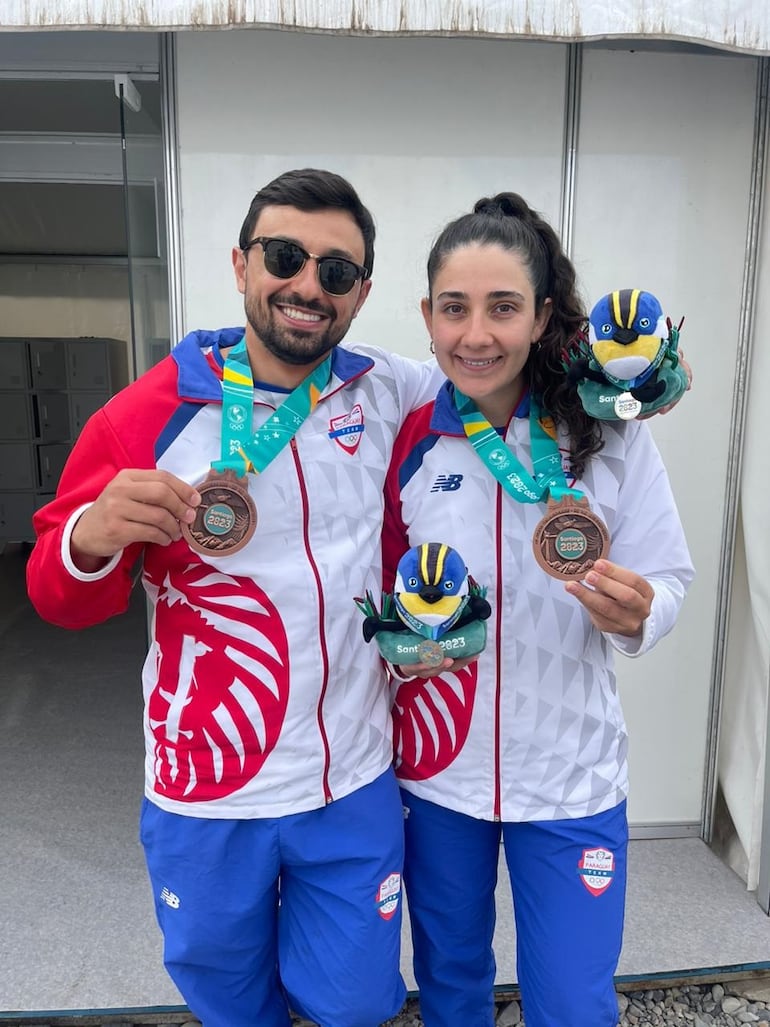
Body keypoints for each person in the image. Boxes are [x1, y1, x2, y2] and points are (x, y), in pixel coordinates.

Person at [24, 168, 442, 1027]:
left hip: (349, 777)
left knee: (358, 1002)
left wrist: (624, 380)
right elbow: (54, 592)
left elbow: (496, 382)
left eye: (335, 271)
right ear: (241, 264)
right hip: (208, 786)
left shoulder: (386, 387)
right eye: (284, 256)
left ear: (362, 293)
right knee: (228, 1002)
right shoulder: (152, 411)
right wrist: (91, 536)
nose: (306, 285)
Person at [381, 193, 695, 1027]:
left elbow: (670, 574)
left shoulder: (608, 433)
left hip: (573, 775)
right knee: (450, 980)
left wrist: (639, 615)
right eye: (455, 308)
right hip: (439, 771)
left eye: (503, 307)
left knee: (573, 998)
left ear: (543, 314)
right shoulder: (411, 428)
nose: (475, 334)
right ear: (427, 314)